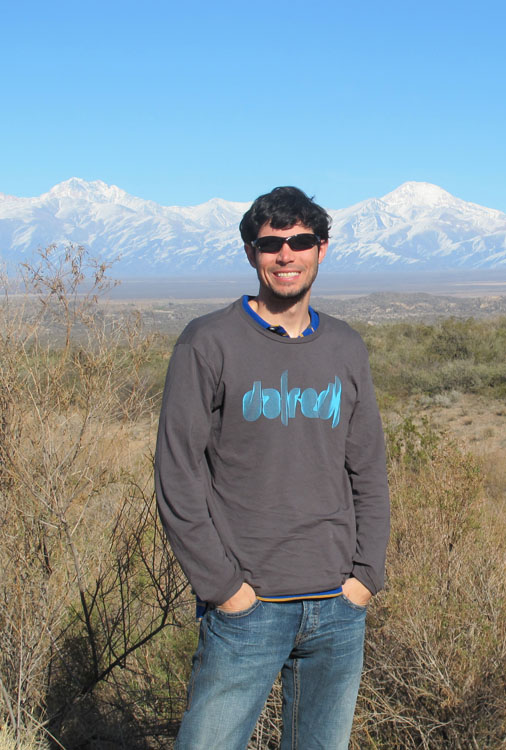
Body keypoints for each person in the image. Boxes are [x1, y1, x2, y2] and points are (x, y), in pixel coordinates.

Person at [155, 186, 390, 749]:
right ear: (250, 253)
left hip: (337, 605)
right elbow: (176, 473)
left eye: (301, 241)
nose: (287, 255)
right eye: (272, 244)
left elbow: (369, 470)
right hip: (248, 607)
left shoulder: (345, 346)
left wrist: (365, 578)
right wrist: (223, 588)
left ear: (322, 249)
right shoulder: (208, 342)